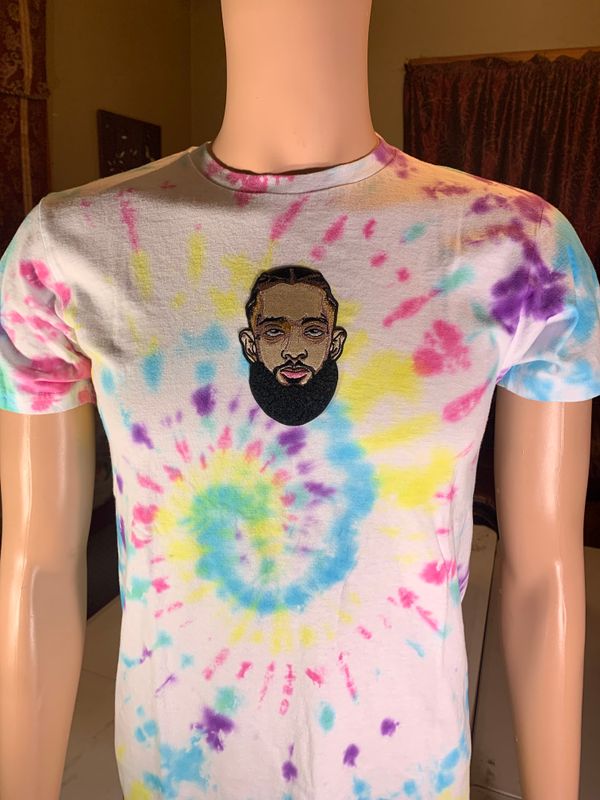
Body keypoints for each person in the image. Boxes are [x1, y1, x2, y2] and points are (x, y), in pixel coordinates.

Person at [0, 1, 598, 798]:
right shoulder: (67, 253)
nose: (292, 349)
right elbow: (37, 569)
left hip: (404, 772)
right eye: (273, 332)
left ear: (336, 342)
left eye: (311, 332)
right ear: (249, 343)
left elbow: (544, 577)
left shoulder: (518, 251)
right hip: (178, 771)